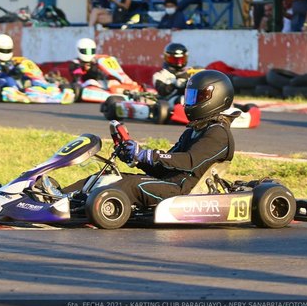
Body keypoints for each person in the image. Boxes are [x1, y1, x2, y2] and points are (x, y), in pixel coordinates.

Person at [61, 70, 236, 209]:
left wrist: (150, 155)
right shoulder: (194, 131)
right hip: (171, 183)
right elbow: (166, 166)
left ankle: (80, 205)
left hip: (185, 192)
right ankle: (56, 196)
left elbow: (189, 162)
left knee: (130, 185)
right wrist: (138, 159)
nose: (190, 103)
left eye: (196, 98)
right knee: (109, 177)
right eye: (190, 97)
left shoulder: (218, 134)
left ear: (217, 98)